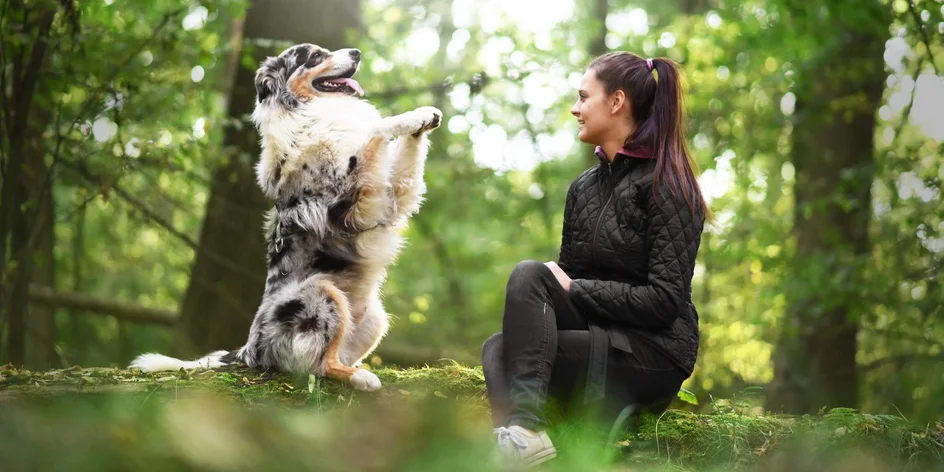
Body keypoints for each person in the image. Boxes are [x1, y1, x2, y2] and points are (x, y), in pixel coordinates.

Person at [482, 52, 709, 468]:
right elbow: (570, 279)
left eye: (584, 97)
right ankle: (525, 443)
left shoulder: (669, 185)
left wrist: (574, 288)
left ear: (617, 101)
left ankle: (524, 435)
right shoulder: (583, 188)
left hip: (652, 355)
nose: (575, 108)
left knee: (529, 287)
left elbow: (664, 301)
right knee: (500, 346)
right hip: (598, 335)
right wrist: (564, 283)